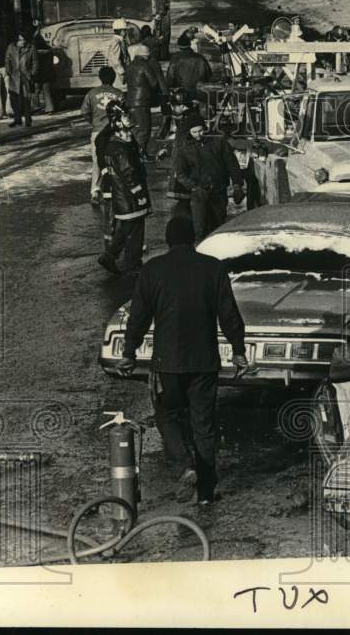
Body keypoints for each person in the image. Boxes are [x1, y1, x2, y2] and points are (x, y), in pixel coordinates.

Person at [116, 215, 249, 505]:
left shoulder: (153, 271)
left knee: (167, 416)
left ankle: (186, 464)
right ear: (193, 240)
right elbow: (229, 314)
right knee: (204, 425)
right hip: (204, 362)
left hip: (167, 364)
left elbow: (138, 317)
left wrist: (128, 353)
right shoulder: (213, 269)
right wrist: (238, 351)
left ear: (168, 240)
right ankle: (205, 494)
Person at [173, 110, 245, 242]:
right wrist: (194, 187)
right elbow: (180, 173)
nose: (198, 135)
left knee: (218, 226)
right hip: (199, 193)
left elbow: (232, 163)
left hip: (219, 190)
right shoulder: (185, 148)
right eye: (194, 132)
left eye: (200, 131)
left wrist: (237, 184)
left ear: (204, 128)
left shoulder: (218, 141)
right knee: (200, 228)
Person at [98, 106, 151, 275]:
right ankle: (133, 264)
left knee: (125, 229)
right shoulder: (120, 149)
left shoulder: (115, 144)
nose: (129, 119)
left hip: (123, 198)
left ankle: (109, 256)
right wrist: (139, 194)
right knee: (135, 232)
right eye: (125, 116)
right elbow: (129, 174)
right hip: (130, 199)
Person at [80, 66, 123, 205]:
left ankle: (95, 191)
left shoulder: (92, 93)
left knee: (97, 161)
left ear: (100, 78)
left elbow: (84, 111)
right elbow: (124, 112)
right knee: (116, 160)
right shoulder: (119, 93)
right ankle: (115, 189)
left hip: (97, 131)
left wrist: (93, 121)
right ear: (113, 78)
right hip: (114, 132)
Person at [161, 87, 200, 217]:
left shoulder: (189, 121)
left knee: (185, 202)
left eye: (174, 105)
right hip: (185, 163)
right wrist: (166, 149)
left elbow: (183, 142)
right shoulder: (188, 118)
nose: (172, 108)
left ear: (182, 106)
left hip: (186, 165)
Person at [124, 43, 164, 161]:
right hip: (142, 101)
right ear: (145, 55)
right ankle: (142, 154)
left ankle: (135, 153)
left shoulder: (130, 66)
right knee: (144, 128)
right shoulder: (145, 66)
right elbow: (154, 83)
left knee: (135, 128)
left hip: (130, 100)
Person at [165, 33, 212, 107]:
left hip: (183, 94)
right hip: (199, 93)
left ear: (179, 46)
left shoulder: (175, 59)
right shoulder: (200, 58)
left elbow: (170, 78)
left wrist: (169, 90)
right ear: (189, 44)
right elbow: (209, 76)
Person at [4, 30, 37, 127]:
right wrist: (8, 70)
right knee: (14, 98)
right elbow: (7, 60)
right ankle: (17, 119)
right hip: (14, 77)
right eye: (20, 40)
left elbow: (35, 62)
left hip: (26, 76)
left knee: (26, 99)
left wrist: (32, 73)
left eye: (24, 39)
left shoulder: (31, 48)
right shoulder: (11, 47)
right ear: (16, 40)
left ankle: (28, 120)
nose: (23, 42)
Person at [31, 32, 56, 114]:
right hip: (47, 75)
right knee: (47, 92)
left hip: (37, 76)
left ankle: (36, 108)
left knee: (35, 92)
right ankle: (50, 109)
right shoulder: (50, 51)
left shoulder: (34, 52)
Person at [107, 18, 130, 90]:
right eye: (125, 30)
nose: (126, 32)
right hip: (118, 75)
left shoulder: (120, 40)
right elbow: (115, 59)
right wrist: (122, 73)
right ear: (121, 31)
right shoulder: (116, 42)